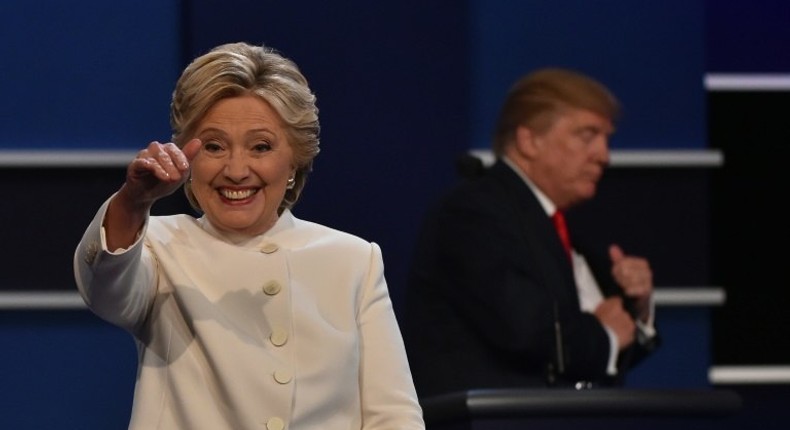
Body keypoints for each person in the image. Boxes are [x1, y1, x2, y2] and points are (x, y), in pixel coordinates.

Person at [73, 41, 425, 429]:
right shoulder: (159, 246)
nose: (237, 170)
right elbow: (103, 291)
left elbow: (393, 415)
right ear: (187, 156)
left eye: (260, 147)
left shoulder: (354, 259)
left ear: (295, 159)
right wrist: (132, 201)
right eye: (213, 146)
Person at [403, 67, 659, 398]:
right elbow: (525, 332)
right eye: (587, 135)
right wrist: (605, 335)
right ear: (529, 140)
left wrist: (636, 309)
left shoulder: (555, 227)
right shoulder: (473, 213)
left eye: (606, 139)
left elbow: (590, 350)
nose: (603, 155)